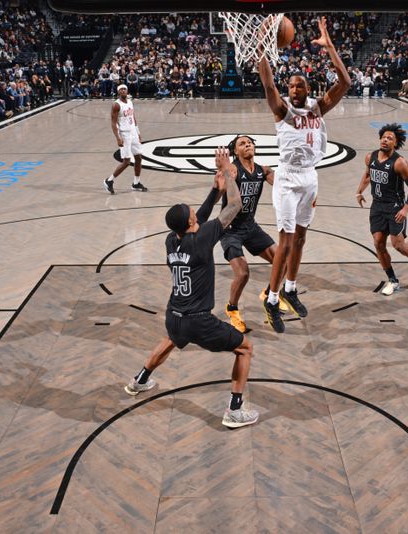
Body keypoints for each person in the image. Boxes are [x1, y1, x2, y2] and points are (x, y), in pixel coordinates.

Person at [124, 148, 259, 429]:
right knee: (244, 348)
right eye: (190, 213)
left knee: (173, 337)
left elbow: (199, 217)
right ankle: (235, 410)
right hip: (200, 321)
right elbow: (235, 207)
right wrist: (227, 173)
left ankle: (140, 380)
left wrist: (214, 191)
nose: (193, 213)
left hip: (174, 314)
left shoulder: (171, 241)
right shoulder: (202, 238)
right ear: (190, 223)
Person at [257, 16, 350, 333]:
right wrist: (261, 45)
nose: (295, 88)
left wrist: (330, 46)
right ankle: (271, 300)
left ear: (308, 89)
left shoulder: (318, 108)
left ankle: (291, 289)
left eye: (300, 85)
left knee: (301, 239)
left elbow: (345, 83)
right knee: (284, 242)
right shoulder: (282, 110)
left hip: (310, 177)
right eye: (291, 85)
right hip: (287, 178)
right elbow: (268, 84)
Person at [216, 135, 281, 333]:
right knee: (243, 273)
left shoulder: (263, 170)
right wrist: (224, 171)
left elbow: (283, 186)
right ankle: (232, 309)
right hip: (230, 231)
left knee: (282, 261)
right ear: (235, 151)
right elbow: (222, 184)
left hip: (250, 226)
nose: (248, 145)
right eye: (242, 144)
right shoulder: (234, 169)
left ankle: (269, 294)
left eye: (250, 142)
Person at [355, 124, 408, 295]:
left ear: (396, 143)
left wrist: (406, 209)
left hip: (395, 207)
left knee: (398, 245)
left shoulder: (400, 162)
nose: (385, 140)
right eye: (384, 137)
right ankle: (393, 280)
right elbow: (368, 174)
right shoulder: (370, 157)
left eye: (390, 138)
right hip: (377, 206)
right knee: (378, 244)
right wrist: (359, 191)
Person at [104, 84, 148, 194]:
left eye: (125, 89)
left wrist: (138, 132)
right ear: (118, 92)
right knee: (126, 162)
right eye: (121, 89)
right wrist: (118, 138)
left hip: (133, 132)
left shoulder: (130, 102)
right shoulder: (116, 105)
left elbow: (133, 117)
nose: (123, 91)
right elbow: (113, 123)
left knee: (138, 157)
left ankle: (136, 183)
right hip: (124, 134)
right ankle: (109, 180)